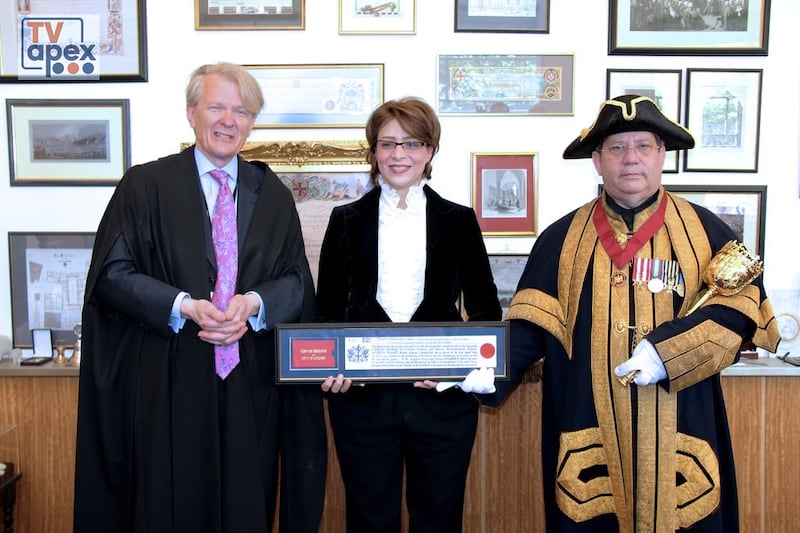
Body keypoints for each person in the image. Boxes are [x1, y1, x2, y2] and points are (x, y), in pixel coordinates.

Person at [483, 94, 781, 532]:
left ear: (662, 155)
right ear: (597, 161)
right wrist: (480, 366)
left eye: (643, 146)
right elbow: (530, 331)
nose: (631, 159)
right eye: (617, 148)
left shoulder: (706, 230)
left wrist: (668, 353)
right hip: (586, 428)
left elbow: (739, 315)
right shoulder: (559, 239)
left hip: (684, 429)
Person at [73, 62, 326, 533]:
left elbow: (296, 281)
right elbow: (111, 275)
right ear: (192, 113)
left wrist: (252, 303)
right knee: (171, 505)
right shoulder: (145, 187)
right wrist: (182, 305)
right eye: (216, 106)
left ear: (252, 122)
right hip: (170, 374)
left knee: (246, 505)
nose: (229, 120)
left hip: (251, 380)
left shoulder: (271, 193)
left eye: (242, 110)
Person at [315, 96, 502, 532]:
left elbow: (486, 310)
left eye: (413, 143)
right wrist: (330, 367)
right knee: (368, 520)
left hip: (441, 401)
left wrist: (461, 372)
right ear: (374, 152)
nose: (400, 155)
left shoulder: (459, 220)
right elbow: (324, 312)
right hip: (362, 402)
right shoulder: (344, 220)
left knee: (439, 520)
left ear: (431, 151)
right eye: (388, 144)